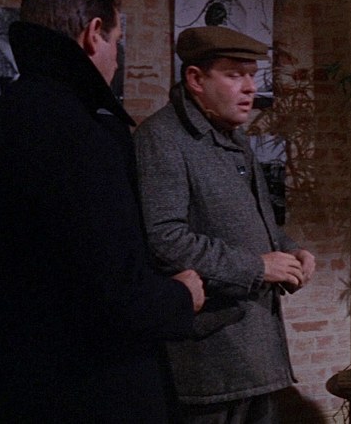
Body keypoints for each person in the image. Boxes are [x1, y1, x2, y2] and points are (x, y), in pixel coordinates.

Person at [0, 0, 205, 423]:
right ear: (93, 33)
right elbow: (111, 289)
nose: (117, 59)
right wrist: (180, 297)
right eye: (117, 41)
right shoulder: (80, 133)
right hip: (83, 384)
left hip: (0, 375)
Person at [133, 26, 316, 424]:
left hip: (257, 351)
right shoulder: (162, 138)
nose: (250, 87)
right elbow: (165, 239)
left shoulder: (233, 136)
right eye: (234, 75)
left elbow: (255, 221)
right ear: (196, 79)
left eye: (252, 75)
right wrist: (258, 267)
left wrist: (290, 250)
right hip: (212, 359)